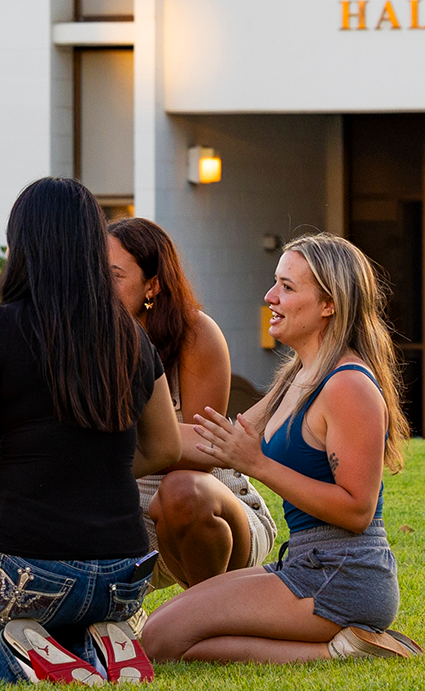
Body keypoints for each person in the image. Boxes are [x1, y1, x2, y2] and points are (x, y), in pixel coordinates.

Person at [0, 178, 180, 686]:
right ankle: (102, 645)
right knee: (57, 618)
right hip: (122, 571)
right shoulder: (131, 336)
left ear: (21, 246)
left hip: (28, 564)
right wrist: (92, 467)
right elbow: (167, 446)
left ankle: (32, 664)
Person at [143, 233, 419, 665]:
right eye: (276, 283)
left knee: (159, 642)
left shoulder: (348, 385)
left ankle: (338, 651)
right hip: (305, 565)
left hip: (343, 576)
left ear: (329, 304)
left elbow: (357, 509)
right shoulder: (300, 374)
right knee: (156, 633)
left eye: (288, 287)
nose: (271, 296)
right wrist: (106, 442)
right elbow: (218, 438)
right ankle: (338, 645)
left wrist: (258, 464)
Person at [108, 217, 276, 587]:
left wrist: (99, 447)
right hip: (128, 516)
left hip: (212, 513)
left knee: (181, 489)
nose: (101, 288)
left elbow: (203, 451)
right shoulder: (87, 341)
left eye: (115, 277)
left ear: (152, 286)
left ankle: (209, 622)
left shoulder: (196, 335)